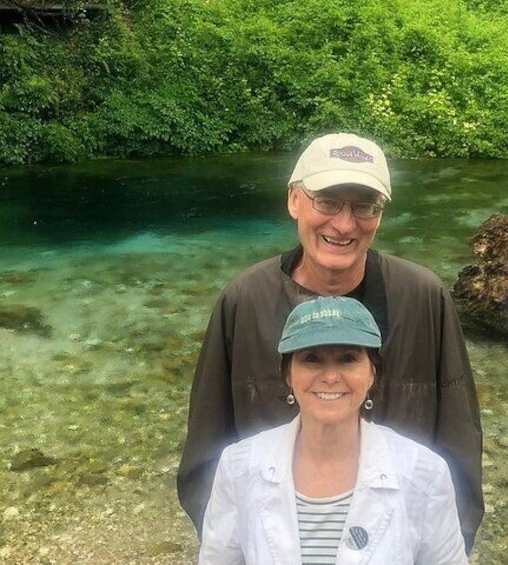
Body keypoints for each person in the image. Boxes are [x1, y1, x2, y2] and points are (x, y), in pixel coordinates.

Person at [178, 132, 483, 552]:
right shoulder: (244, 300)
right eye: (327, 201)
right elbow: (206, 446)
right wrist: (237, 542)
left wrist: (449, 543)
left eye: (364, 206)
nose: (344, 224)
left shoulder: (423, 297)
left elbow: (459, 438)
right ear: (294, 200)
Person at [199, 297, 469, 564]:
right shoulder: (238, 466)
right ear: (288, 375)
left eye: (348, 359)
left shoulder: (425, 474)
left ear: (372, 373)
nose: (330, 377)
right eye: (312, 359)